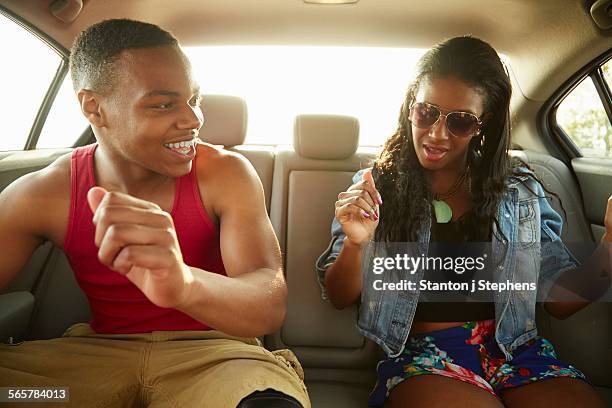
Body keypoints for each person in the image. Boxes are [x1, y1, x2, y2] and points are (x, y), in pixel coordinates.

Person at [0, 19, 309, 408]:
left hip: (218, 360)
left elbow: (269, 303)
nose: (193, 119)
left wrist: (184, 285)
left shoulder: (225, 173)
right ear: (94, 108)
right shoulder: (43, 193)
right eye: (164, 104)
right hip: (89, 366)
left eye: (193, 100)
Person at [316, 36, 610, 407]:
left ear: (482, 124)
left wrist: (610, 245)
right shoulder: (375, 188)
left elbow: (556, 298)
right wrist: (358, 243)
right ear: (410, 107)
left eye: (459, 121)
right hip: (426, 359)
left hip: (517, 351)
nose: (437, 133)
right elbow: (340, 296)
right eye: (426, 112)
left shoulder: (518, 192)